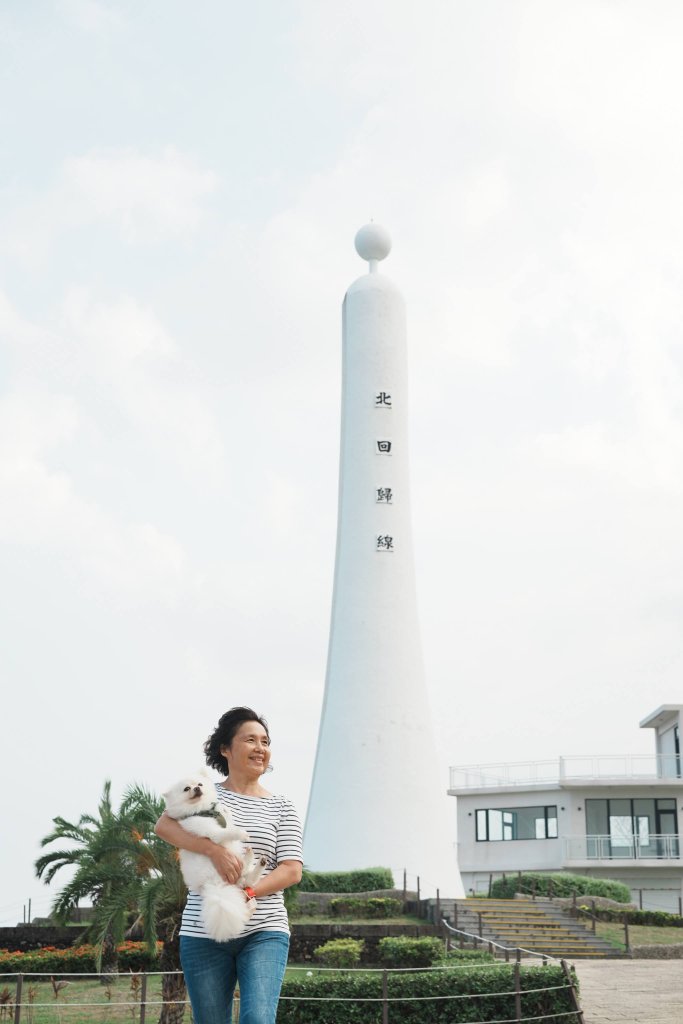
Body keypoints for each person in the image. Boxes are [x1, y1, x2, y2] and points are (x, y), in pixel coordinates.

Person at [155, 707, 303, 1024]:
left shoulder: (282, 806)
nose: (260, 748)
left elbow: (291, 869)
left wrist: (249, 891)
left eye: (265, 741)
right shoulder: (205, 793)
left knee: (258, 1019)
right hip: (203, 931)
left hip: (264, 929)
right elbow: (164, 827)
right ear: (225, 749)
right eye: (250, 740)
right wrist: (212, 850)